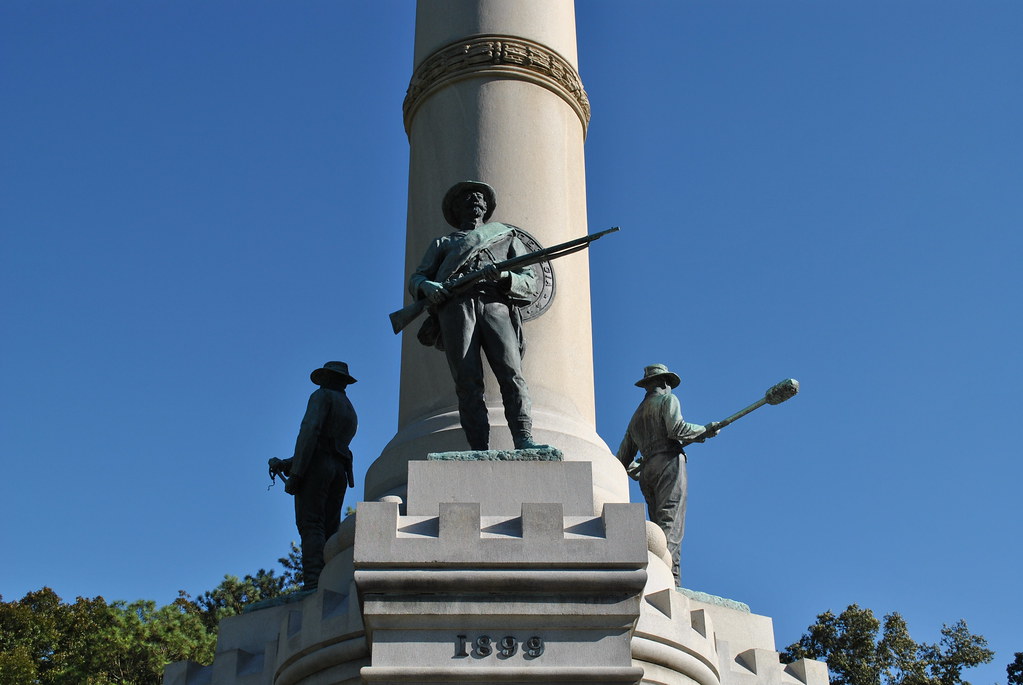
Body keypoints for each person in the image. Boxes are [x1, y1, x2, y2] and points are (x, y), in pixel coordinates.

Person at [409, 180, 541, 451]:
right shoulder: (443, 243)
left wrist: (504, 276)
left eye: (479, 199)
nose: (474, 202)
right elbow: (418, 278)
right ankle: (479, 446)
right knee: (467, 380)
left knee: (512, 373)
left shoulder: (506, 238)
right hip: (456, 309)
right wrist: (428, 285)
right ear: (457, 209)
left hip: (495, 305)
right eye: (467, 199)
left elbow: (530, 282)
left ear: (486, 207)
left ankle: (524, 437)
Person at [616, 364, 720, 585]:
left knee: (657, 528)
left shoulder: (636, 417)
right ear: (664, 383)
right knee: (670, 525)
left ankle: (658, 574)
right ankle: (669, 580)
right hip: (668, 463)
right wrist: (704, 430)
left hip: (648, 472)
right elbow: (676, 429)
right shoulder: (667, 400)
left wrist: (638, 469)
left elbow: (622, 460)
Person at [270, 361, 358, 590]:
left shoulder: (322, 396)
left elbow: (310, 432)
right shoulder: (348, 407)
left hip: (318, 467)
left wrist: (297, 473)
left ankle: (313, 582)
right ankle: (331, 580)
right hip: (339, 470)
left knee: (311, 524)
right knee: (331, 527)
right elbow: (329, 444)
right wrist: (287, 464)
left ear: (328, 378)